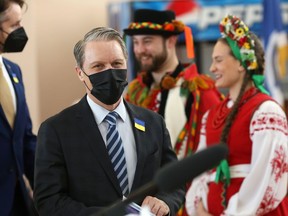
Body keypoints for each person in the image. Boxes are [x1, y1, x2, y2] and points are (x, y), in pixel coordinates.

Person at [33, 27, 185, 216]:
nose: (110, 73)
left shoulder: (154, 123)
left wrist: (165, 202)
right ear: (80, 73)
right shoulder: (56, 130)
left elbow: (175, 182)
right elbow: (49, 201)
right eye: (98, 66)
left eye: (116, 63)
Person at [185, 14, 288, 216]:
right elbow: (200, 171)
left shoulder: (266, 111)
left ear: (242, 63)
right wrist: (199, 208)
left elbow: (267, 178)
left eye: (219, 60)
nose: (211, 68)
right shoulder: (212, 115)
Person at [124, 9, 222, 160]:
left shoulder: (199, 91)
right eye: (136, 42)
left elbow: (216, 148)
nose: (140, 50)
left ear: (171, 41)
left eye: (147, 41)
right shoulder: (135, 92)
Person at [0, 0, 37, 216]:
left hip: (18, 200)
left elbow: (25, 139)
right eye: (14, 26)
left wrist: (48, 187)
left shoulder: (14, 72)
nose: (20, 32)